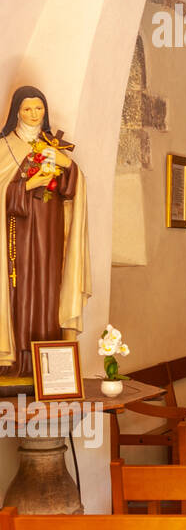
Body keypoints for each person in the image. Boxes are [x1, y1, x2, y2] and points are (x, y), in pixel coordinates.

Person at [1, 87, 90, 377]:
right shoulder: (4, 146)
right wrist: (30, 183)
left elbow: (72, 189)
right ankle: (18, 363)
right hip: (18, 233)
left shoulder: (53, 145)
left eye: (38, 108)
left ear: (45, 111)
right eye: (26, 109)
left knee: (49, 288)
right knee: (20, 288)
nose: (33, 114)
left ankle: (49, 368)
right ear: (16, 112)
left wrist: (67, 165)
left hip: (50, 229)